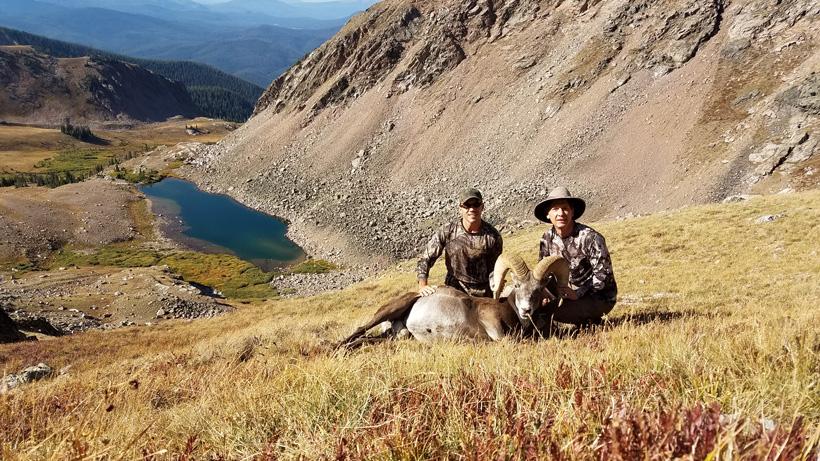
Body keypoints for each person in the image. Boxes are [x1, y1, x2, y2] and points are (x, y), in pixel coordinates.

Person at [533, 186, 617, 325]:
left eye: (565, 208)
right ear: (548, 214)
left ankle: (590, 321)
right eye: (555, 209)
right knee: (534, 307)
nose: (561, 213)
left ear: (572, 212)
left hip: (597, 296)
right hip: (564, 294)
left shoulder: (591, 238)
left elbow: (604, 276)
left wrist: (578, 293)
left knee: (555, 315)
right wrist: (543, 293)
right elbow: (543, 271)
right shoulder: (546, 239)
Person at [417, 188, 503, 297]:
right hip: (454, 291)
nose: (472, 209)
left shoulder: (493, 236)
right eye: (467, 205)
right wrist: (423, 285)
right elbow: (426, 259)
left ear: (482, 207)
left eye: (476, 204)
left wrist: (496, 284)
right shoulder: (448, 231)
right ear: (460, 209)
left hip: (483, 295)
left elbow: (494, 268)